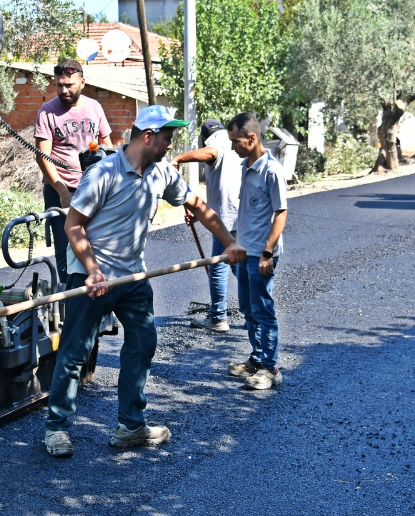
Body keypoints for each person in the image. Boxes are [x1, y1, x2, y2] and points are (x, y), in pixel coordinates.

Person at [44, 106, 246, 458]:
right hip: (92, 277)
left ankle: (130, 426)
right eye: (167, 139)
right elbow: (72, 225)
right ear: (149, 137)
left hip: (134, 277)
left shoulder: (161, 173)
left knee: (142, 345)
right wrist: (92, 269)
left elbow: (197, 205)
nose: (171, 145)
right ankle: (57, 428)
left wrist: (230, 242)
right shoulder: (103, 174)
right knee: (75, 352)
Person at [225, 112, 289, 391]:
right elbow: (245, 211)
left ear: (252, 138)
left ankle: (271, 367)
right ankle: (257, 358)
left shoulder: (271, 171)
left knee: (263, 310)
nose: (232, 147)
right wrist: (235, 244)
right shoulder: (245, 166)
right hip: (244, 251)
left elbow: (281, 213)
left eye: (235, 141)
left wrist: (267, 253)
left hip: (262, 254)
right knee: (248, 310)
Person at [34, 59, 113, 280]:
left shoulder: (94, 108)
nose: (64, 90)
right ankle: (70, 302)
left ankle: (100, 291)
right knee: (66, 247)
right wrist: (63, 193)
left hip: (92, 186)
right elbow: (42, 157)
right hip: (60, 188)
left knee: (97, 241)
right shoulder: (47, 112)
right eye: (59, 85)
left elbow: (107, 147)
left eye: (70, 85)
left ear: (82, 83)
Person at [170, 117, 243, 333]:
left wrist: (179, 158)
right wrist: (200, 215)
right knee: (239, 264)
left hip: (226, 219)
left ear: (204, 137)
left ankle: (218, 317)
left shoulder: (215, 141)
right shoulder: (230, 140)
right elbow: (222, 186)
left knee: (220, 265)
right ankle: (256, 312)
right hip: (240, 213)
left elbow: (211, 153)